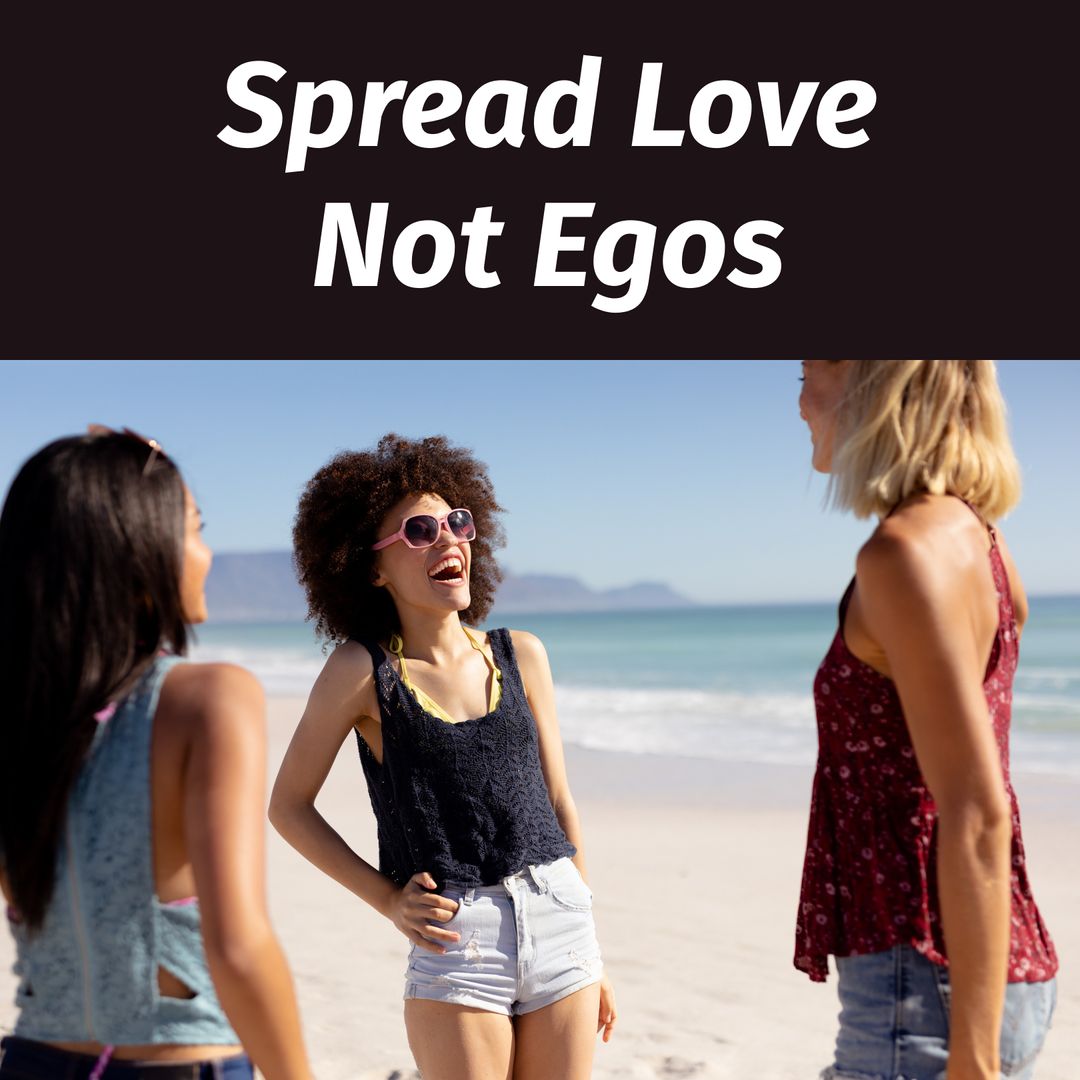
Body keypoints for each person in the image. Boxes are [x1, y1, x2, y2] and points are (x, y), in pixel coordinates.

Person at [270, 433, 616, 1080]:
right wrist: (386, 900)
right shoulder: (362, 672)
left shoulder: (522, 654)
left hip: (561, 918)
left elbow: (560, 804)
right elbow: (288, 808)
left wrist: (592, 950)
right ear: (372, 568)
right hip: (459, 938)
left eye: (457, 522)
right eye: (420, 531)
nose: (448, 539)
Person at [0, 429, 313, 1080]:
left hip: (32, 1060)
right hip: (180, 1063)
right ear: (139, 548)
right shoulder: (208, 698)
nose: (206, 553)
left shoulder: (20, 723)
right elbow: (238, 946)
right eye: (194, 529)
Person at [794, 361, 1058, 1079]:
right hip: (976, 970)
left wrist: (973, 1060)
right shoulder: (983, 538)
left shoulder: (904, 554)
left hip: (927, 989)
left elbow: (976, 812)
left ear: (867, 383)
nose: (799, 403)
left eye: (808, 372)